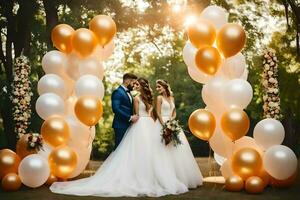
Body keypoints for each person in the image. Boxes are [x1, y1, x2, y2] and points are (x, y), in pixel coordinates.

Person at [50, 77, 188, 197]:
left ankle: (153, 178)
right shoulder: (136, 98)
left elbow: (152, 114)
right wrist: (133, 118)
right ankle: (138, 178)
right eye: (134, 85)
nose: (135, 87)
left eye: (137, 85)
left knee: (151, 154)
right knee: (137, 153)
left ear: (143, 86)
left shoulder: (149, 99)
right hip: (139, 127)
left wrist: (157, 124)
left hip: (150, 127)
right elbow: (135, 113)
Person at [155, 79, 203, 188]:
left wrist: (172, 121)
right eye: (156, 87)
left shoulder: (171, 98)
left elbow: (174, 111)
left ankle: (181, 177)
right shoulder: (159, 98)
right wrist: (164, 125)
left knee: (177, 148)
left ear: (164, 86)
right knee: (164, 148)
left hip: (172, 123)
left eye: (159, 87)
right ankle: (166, 176)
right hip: (162, 123)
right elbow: (158, 112)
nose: (157, 89)